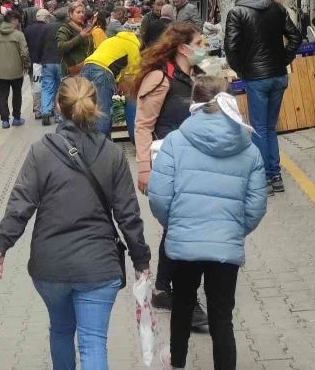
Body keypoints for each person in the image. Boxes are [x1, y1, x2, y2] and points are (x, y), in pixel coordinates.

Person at [0, 76, 151, 370]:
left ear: (58, 108)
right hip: (99, 267)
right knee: (92, 343)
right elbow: (128, 214)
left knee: (61, 330)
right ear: (95, 107)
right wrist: (141, 259)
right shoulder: (113, 155)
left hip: (51, 268)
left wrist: (1, 244)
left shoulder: (41, 151)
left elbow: (20, 205)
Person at [150, 76, 267, 370]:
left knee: (182, 306)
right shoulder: (250, 148)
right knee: (221, 316)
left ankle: (177, 362)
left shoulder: (175, 142)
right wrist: (234, 231)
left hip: (184, 243)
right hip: (225, 247)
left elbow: (159, 198)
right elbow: (256, 205)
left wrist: (176, 224)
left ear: (195, 104)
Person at [128, 23, 209, 328]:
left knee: (178, 226)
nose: (203, 45)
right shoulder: (160, 77)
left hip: (195, 163)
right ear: (182, 47)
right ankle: (186, 300)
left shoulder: (195, 75)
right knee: (182, 225)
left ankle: (163, 288)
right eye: (198, 42)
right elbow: (143, 125)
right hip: (168, 164)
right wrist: (144, 167)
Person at [224, 0, 302, 195]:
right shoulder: (276, 8)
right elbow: (296, 36)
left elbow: (231, 47)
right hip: (278, 75)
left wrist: (241, 69)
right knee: (268, 127)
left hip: (257, 78)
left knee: (259, 129)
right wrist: (283, 59)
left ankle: (265, 179)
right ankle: (274, 175)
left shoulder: (237, 12)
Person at [81, 31, 142, 137]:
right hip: (103, 72)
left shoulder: (111, 40)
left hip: (86, 67)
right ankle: (101, 144)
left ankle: (87, 140)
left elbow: (111, 58)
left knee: (87, 108)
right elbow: (131, 75)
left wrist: (117, 82)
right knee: (102, 112)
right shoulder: (133, 47)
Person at [0, 10, 31, 129]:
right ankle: (16, 118)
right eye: (18, 21)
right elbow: (24, 52)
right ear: (14, 21)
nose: (19, 23)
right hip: (16, 71)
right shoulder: (19, 35)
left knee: (2, 96)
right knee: (17, 94)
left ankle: (5, 120)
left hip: (1, 72)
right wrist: (26, 65)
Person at [24, 8, 52, 119]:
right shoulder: (48, 29)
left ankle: (37, 109)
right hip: (45, 61)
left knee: (35, 86)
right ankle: (47, 108)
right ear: (46, 18)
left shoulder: (28, 29)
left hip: (32, 62)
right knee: (47, 85)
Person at [36, 14, 63, 126]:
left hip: (47, 61)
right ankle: (58, 115)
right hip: (61, 62)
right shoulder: (66, 28)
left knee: (47, 87)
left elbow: (39, 45)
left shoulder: (46, 28)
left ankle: (46, 112)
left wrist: (39, 58)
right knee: (60, 88)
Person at [56, 1, 94, 77]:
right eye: (78, 12)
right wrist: (80, 37)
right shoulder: (65, 28)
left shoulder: (84, 28)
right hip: (72, 70)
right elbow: (61, 47)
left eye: (83, 12)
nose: (81, 14)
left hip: (86, 69)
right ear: (70, 14)